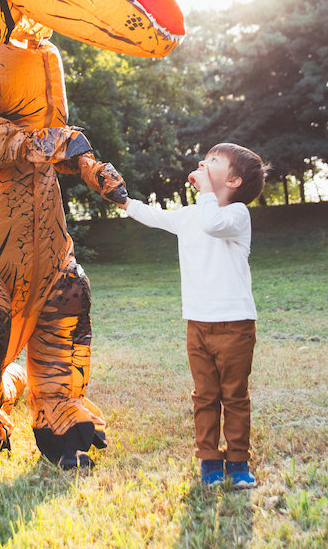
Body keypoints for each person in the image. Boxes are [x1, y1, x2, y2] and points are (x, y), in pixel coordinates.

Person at [116, 143, 270, 489]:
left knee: (234, 396)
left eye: (214, 161)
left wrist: (203, 192)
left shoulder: (236, 215)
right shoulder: (190, 215)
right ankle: (209, 461)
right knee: (204, 396)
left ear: (233, 181)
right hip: (197, 325)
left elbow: (213, 223)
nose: (202, 162)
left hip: (235, 326)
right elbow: (154, 216)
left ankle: (239, 461)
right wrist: (121, 199)